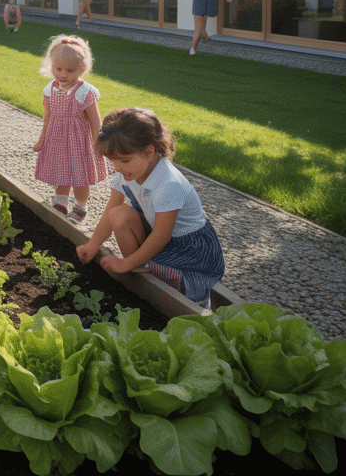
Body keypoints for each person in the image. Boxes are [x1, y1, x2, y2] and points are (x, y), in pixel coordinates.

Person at [76, 108, 225, 308]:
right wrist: (93, 244)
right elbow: (111, 210)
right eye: (112, 161)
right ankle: (146, 271)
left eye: (123, 160)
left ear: (149, 151)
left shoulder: (168, 184)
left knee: (183, 297)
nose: (117, 167)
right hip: (160, 235)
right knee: (118, 215)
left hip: (189, 249)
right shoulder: (127, 172)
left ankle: (196, 304)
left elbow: (161, 236)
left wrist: (125, 263)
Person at [33, 35, 104, 224]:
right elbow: (47, 116)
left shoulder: (85, 92)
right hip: (57, 139)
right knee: (61, 171)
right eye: (58, 69)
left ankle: (81, 206)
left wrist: (99, 144)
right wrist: (42, 139)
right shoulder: (50, 89)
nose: (63, 74)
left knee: (80, 176)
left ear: (83, 69)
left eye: (70, 70)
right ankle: (61, 202)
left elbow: (96, 122)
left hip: (79, 143)